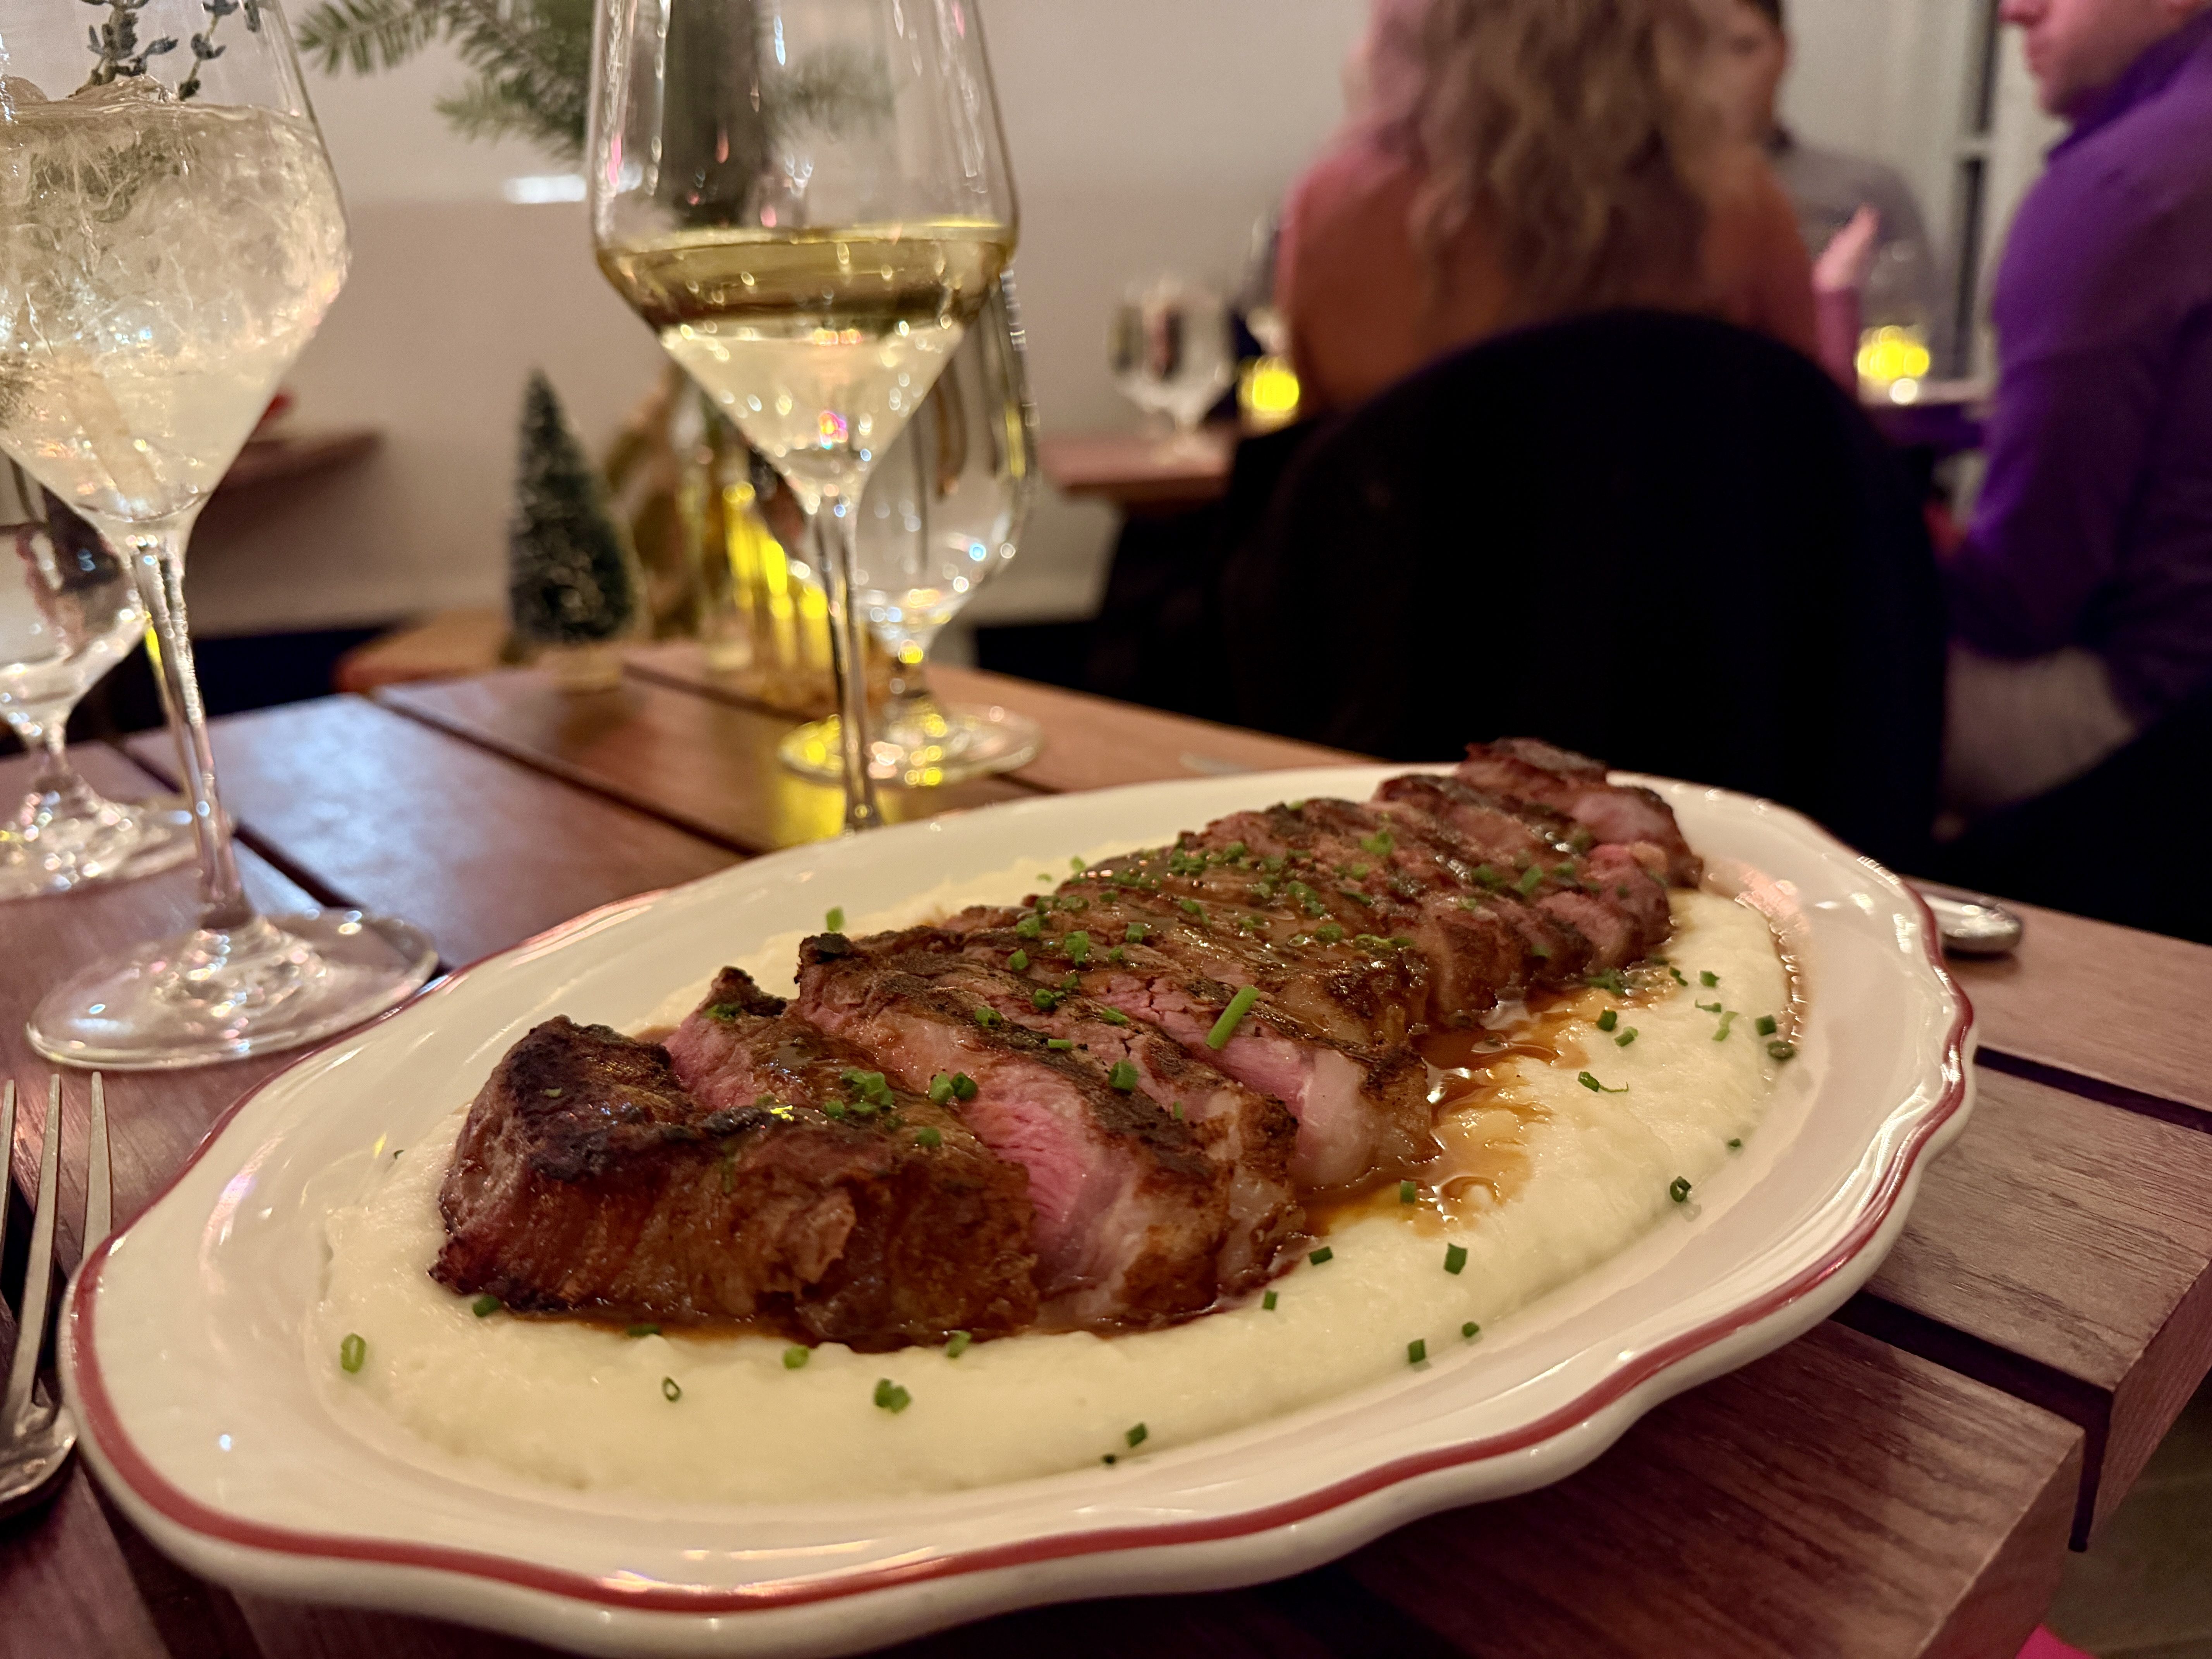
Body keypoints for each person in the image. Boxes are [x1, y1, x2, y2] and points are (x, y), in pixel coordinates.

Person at [1276, 0, 1820, 416]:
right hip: (1684, 535)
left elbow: (1315, 476)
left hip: (1422, 537)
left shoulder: (1335, 214)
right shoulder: (1738, 205)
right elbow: (1819, 453)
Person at [1939, 0, 2212, 818]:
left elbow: (2022, 603)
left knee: (1777, 659)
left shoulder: (2126, 186)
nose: (2013, 11)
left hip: (2154, 721)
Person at [1709, 0, 1948, 363]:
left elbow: (1926, 340)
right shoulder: (1638, 204)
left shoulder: (1866, 193)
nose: (1721, 73)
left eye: (1743, 48)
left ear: (1782, 52)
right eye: (1695, 47)